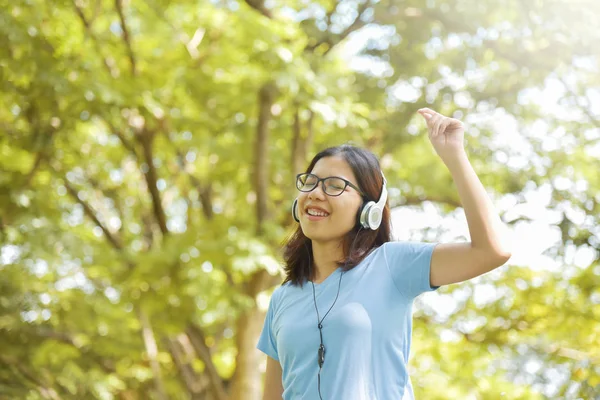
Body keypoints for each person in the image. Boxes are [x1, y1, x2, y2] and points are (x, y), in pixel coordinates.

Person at [257, 108, 512, 400]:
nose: (316, 193)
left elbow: (492, 251)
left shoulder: (392, 265)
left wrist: (455, 156)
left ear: (369, 210)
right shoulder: (283, 297)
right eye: (311, 182)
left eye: (335, 186)